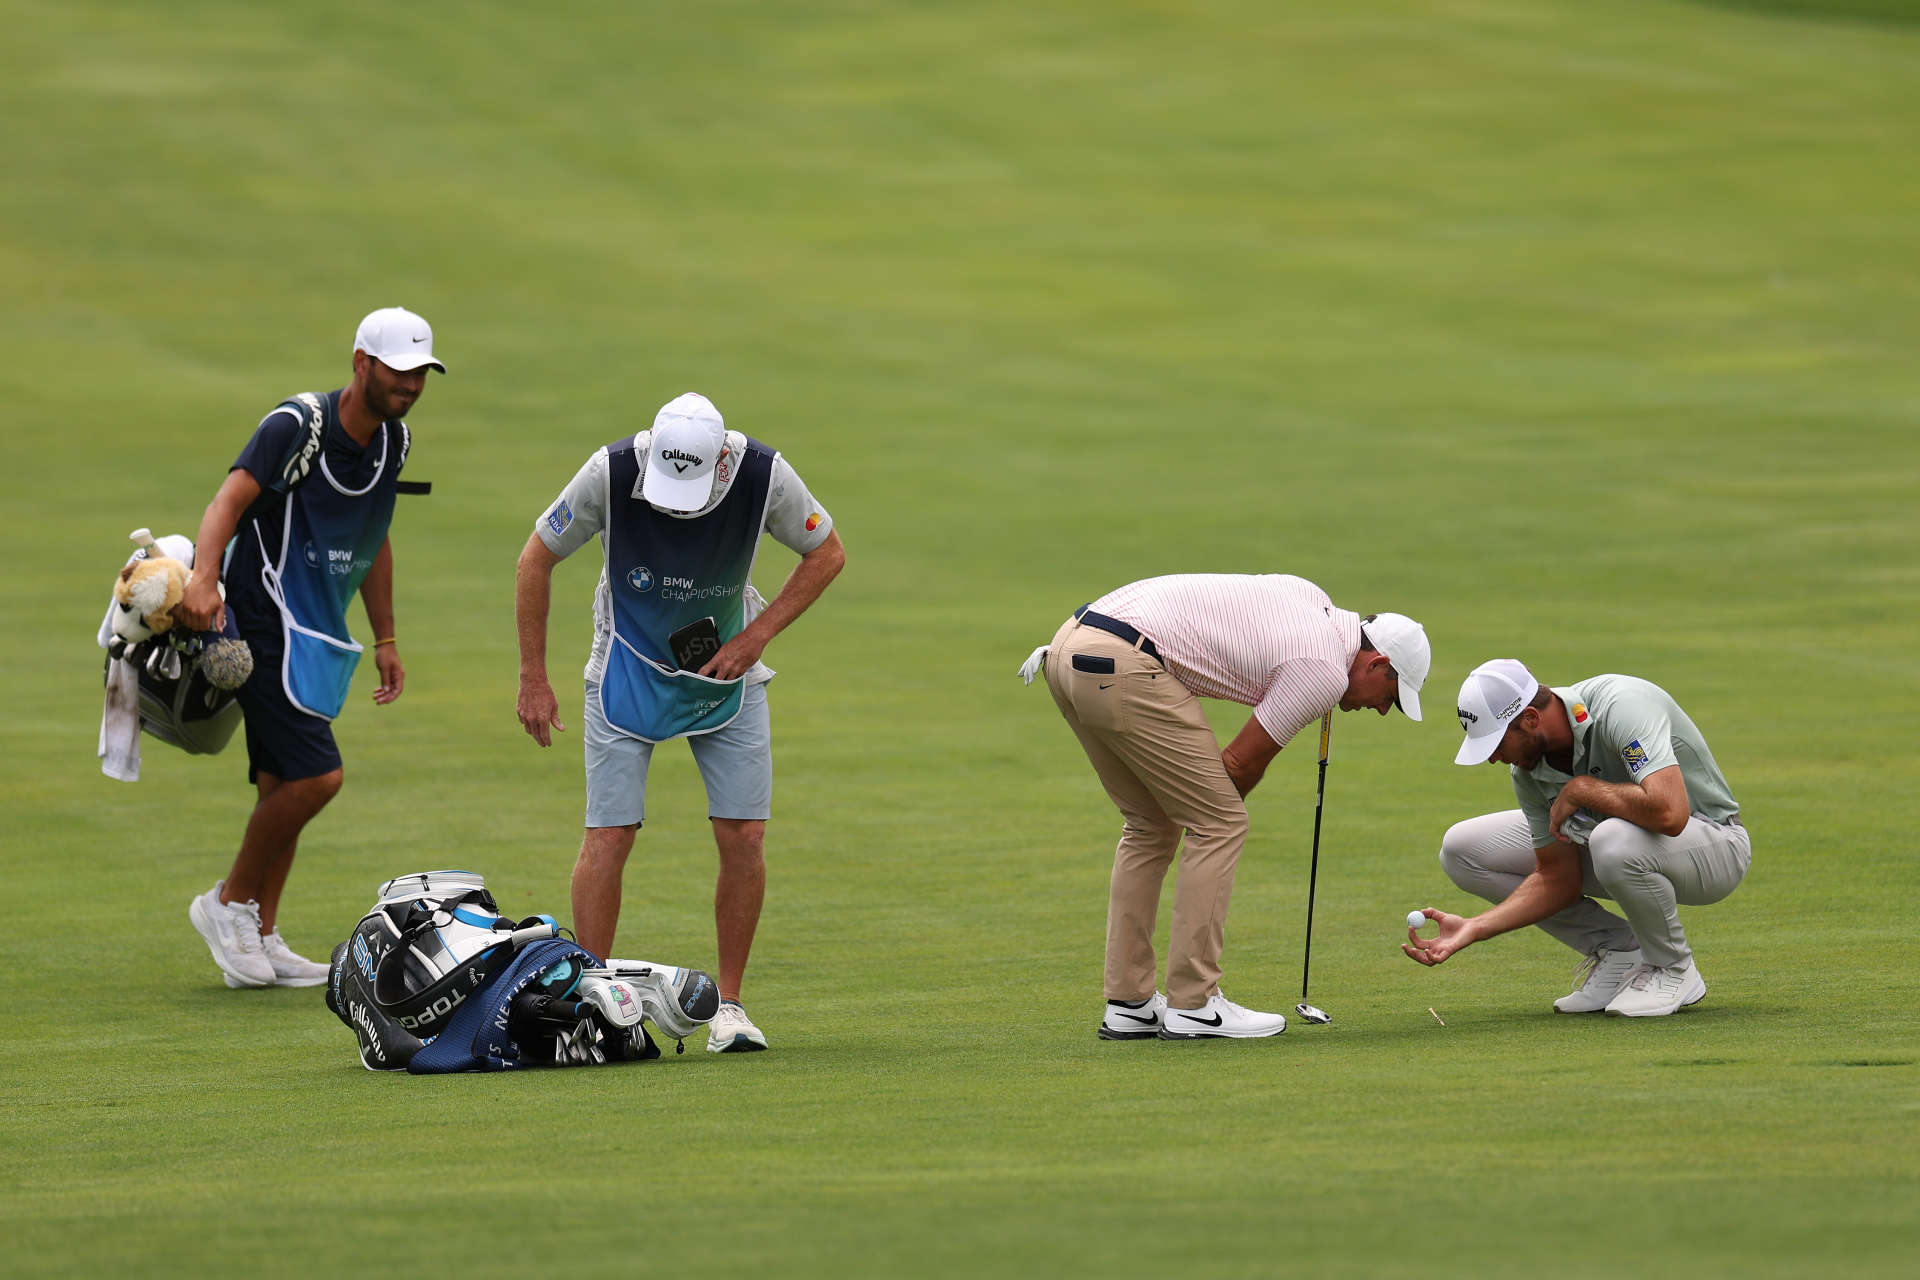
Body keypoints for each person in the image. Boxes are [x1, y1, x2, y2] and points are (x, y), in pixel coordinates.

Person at [515, 392, 845, 1054]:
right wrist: (534, 677)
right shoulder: (609, 471)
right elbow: (535, 559)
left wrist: (757, 636)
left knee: (744, 834)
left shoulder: (761, 474)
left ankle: (731, 1008)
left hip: (726, 672)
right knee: (609, 836)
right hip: (625, 669)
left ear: (721, 459)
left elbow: (827, 553)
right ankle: (595, 1001)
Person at [1020, 575, 1430, 1040]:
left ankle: (1129, 1004)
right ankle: (1194, 1005)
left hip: (1070, 648)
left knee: (1150, 824)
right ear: (1378, 663)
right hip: (1127, 661)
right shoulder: (1324, 668)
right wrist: (1208, 813)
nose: (1379, 710)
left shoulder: (1312, 601)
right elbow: (1239, 763)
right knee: (1220, 823)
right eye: (1390, 698)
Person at [177, 306, 445, 989]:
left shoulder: (395, 443)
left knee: (280, 782)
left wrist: (386, 635)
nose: (410, 385)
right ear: (362, 363)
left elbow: (375, 533)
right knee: (316, 777)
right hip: (257, 615)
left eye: (420, 374)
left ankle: (261, 935)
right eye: (399, 370)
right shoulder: (297, 425)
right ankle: (228, 903)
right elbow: (228, 501)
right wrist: (205, 580)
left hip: (317, 626)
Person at [1404, 659, 1750, 1018]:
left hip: (1716, 845)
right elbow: (1557, 877)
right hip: (1620, 846)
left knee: (1610, 839)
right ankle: (1619, 950)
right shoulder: (1527, 771)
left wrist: (1584, 789)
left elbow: (1670, 812)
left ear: (1530, 720)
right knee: (1462, 849)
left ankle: (1674, 968)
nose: (1492, 758)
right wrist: (1475, 927)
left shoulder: (1622, 707)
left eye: (1496, 742)